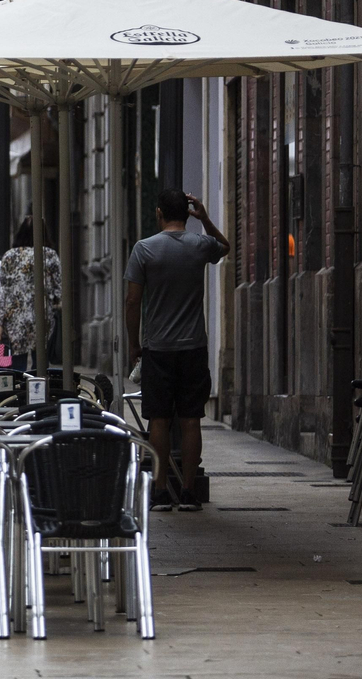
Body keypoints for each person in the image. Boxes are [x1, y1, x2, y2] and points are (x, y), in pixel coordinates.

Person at [125, 189, 229, 511]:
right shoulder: (200, 246)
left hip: (157, 349)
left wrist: (134, 343)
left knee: (158, 419)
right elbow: (225, 246)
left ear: (158, 213)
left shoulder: (144, 250)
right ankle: (187, 491)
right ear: (187, 213)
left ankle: (158, 490)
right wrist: (206, 218)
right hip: (193, 347)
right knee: (190, 420)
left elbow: (132, 301)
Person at [0, 217, 61, 372]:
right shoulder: (49, 255)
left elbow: (2, 291)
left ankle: (19, 392)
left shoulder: (9, 257)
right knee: (41, 364)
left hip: (16, 320)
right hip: (43, 316)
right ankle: (39, 392)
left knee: (17, 364)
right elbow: (58, 289)